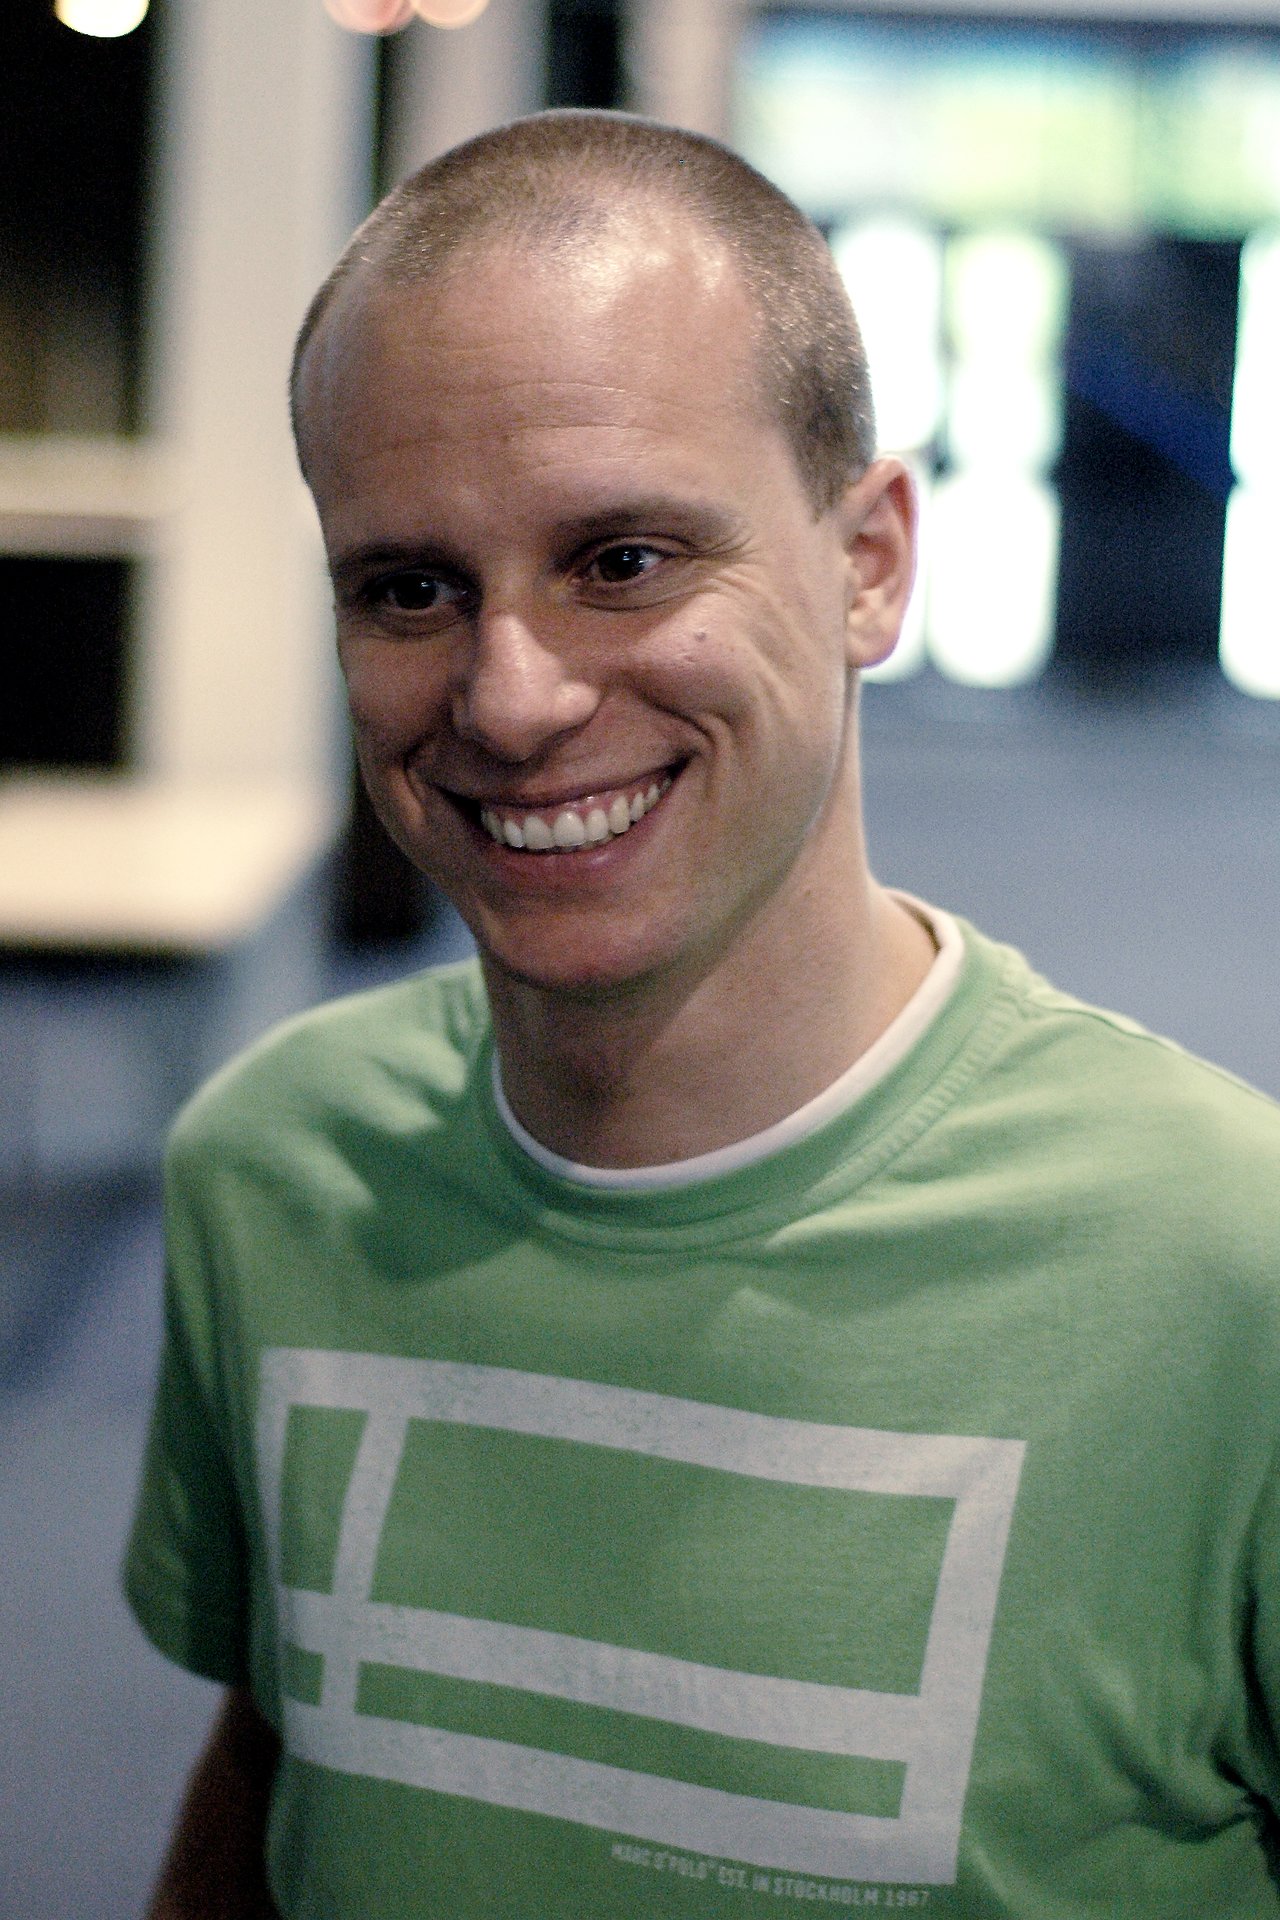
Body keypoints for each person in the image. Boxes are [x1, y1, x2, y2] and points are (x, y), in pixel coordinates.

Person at [125, 110, 1280, 1919]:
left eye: (626, 560)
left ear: (871, 564)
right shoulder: (273, 1171)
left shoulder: (1233, 1275)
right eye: (412, 587)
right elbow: (280, 1759)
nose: (508, 699)